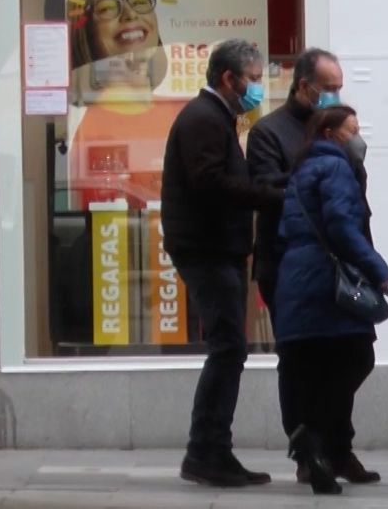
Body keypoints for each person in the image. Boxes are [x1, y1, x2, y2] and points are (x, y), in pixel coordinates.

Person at [160, 39, 282, 488]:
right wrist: (269, 196)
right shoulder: (204, 118)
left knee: (229, 349)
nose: (255, 88)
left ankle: (211, 449)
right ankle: (207, 452)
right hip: (207, 249)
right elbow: (211, 183)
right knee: (228, 349)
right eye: (251, 79)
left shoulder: (216, 118)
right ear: (228, 78)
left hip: (217, 247)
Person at [274, 105, 388, 496]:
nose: (358, 137)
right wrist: (377, 268)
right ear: (329, 133)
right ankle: (315, 435)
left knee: (312, 368)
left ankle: (320, 452)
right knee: (358, 356)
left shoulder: (302, 168)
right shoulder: (335, 167)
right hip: (327, 281)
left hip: (296, 277)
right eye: (352, 129)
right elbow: (342, 224)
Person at [245, 47, 346, 481]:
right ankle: (306, 449)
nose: (336, 96)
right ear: (304, 86)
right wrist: (318, 179)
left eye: (340, 89)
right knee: (297, 359)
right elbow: (266, 190)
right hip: (285, 264)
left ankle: (336, 445)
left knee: (346, 355)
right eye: (329, 89)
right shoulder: (269, 133)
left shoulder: (334, 131)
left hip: (333, 266)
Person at [66, 0, 177, 209]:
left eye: (138, 1)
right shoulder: (91, 133)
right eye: (107, 8)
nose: (130, 14)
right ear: (89, 33)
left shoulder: (183, 112)